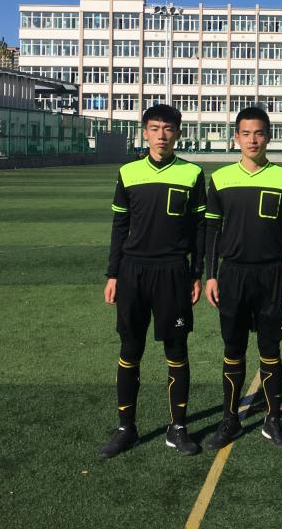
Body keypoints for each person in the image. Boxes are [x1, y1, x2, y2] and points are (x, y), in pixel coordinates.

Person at [99, 104, 206, 459]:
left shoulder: (193, 173)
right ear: (145, 132)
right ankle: (125, 429)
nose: (162, 135)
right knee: (130, 349)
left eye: (168, 128)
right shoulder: (128, 172)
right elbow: (119, 226)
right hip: (133, 271)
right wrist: (113, 274)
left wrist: (196, 273)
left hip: (173, 272)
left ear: (178, 133)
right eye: (155, 128)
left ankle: (178, 429)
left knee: (176, 350)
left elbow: (200, 229)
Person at [203, 107, 282, 450]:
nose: (253, 140)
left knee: (270, 348)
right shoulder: (220, 179)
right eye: (246, 133)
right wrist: (210, 276)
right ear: (236, 137)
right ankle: (229, 419)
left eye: (259, 133)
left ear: (269, 137)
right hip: (232, 274)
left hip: (271, 274)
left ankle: (273, 419)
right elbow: (212, 231)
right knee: (233, 348)